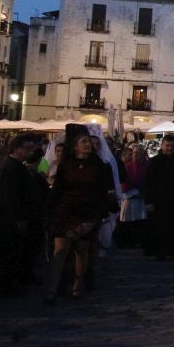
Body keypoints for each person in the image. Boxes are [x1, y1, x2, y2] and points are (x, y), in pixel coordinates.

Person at [47, 129, 116, 305]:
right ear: (76, 146)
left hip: (87, 212)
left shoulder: (99, 166)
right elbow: (58, 189)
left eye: (89, 142)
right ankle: (53, 289)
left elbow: (104, 190)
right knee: (60, 250)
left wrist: (102, 212)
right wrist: (51, 211)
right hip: (65, 212)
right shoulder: (65, 165)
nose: (89, 145)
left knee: (82, 251)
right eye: (84, 142)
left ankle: (78, 285)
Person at [0, 133, 46, 298]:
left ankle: (18, 281)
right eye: (28, 148)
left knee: (18, 253)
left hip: (21, 217)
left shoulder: (18, 166)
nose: (30, 152)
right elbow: (11, 197)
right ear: (17, 149)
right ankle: (6, 287)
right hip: (12, 220)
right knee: (10, 255)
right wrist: (19, 219)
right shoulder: (11, 167)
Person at [142, 133, 174, 260]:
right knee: (159, 227)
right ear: (162, 145)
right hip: (159, 200)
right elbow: (148, 183)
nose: (169, 148)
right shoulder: (154, 161)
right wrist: (148, 202)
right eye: (167, 145)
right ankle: (160, 252)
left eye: (172, 146)